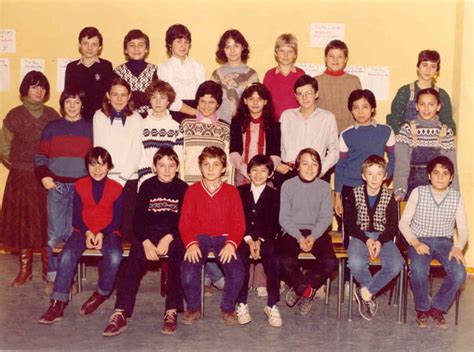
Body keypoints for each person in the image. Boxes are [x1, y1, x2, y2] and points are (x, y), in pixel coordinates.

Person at [102, 148, 188, 336]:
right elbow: (138, 220)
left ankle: (171, 310)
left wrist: (170, 236)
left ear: (177, 167)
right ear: (154, 167)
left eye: (171, 166)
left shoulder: (183, 188)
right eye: (162, 165)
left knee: (177, 256)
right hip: (148, 234)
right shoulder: (147, 186)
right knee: (133, 260)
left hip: (172, 235)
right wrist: (146, 241)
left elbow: (185, 220)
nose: (166, 170)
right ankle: (121, 311)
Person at [38, 147, 123, 324]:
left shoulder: (117, 188)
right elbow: (76, 218)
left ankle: (101, 293)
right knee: (66, 254)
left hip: (108, 232)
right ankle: (57, 303)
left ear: (109, 167)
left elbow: (117, 220)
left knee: (115, 256)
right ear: (87, 167)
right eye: (93, 165)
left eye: (102, 164)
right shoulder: (80, 185)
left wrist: (101, 233)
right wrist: (88, 232)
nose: (97, 169)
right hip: (82, 230)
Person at [0, 71, 60, 286]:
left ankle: (48, 268)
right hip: (21, 178)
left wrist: (46, 169)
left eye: (42, 87)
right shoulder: (14, 115)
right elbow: (4, 147)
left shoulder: (53, 115)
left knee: (47, 223)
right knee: (24, 225)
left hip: (46, 178)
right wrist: (20, 165)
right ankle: (25, 270)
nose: (39, 91)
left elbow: (59, 145)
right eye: (34, 86)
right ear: (25, 89)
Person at [399, 156, 468, 329]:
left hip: (445, 242)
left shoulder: (456, 197)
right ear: (429, 175)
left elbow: (464, 229)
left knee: (459, 272)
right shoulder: (418, 192)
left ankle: (437, 308)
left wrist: (458, 247)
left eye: (445, 174)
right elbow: (403, 223)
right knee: (418, 270)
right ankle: (422, 309)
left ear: (451, 178)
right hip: (420, 239)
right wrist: (414, 242)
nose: (440, 177)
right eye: (436, 173)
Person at [179, 146, 246, 325]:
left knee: (237, 272)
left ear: (224, 168)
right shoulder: (192, 191)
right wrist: (191, 243)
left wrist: (231, 243)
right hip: (198, 238)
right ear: (200, 167)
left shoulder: (232, 192)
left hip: (224, 238)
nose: (210, 169)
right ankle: (193, 307)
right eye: (206, 164)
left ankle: (228, 308)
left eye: (215, 165)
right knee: (187, 272)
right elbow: (184, 222)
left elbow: (239, 222)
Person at [35, 88, 93, 289]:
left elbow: (95, 161)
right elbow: (41, 157)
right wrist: (45, 178)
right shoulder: (52, 128)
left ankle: (67, 276)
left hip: (80, 187)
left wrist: (89, 184)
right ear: (62, 104)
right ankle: (53, 278)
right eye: (68, 101)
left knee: (73, 234)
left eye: (76, 102)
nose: (72, 106)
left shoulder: (90, 128)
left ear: (82, 105)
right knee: (54, 235)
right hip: (57, 186)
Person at [344, 155, 404, 321]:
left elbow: (392, 226)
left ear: (385, 176)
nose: (374, 178)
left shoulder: (389, 197)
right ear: (363, 176)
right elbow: (349, 223)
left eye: (379, 174)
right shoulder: (354, 194)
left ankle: (367, 292)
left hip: (383, 237)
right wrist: (367, 239)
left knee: (396, 264)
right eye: (370, 174)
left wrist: (379, 240)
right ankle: (368, 293)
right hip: (359, 236)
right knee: (355, 262)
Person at [278, 148, 338, 315]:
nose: (310, 168)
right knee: (284, 259)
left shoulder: (325, 187)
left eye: (314, 164)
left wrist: (312, 237)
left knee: (331, 262)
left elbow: (326, 218)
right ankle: (305, 291)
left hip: (316, 232)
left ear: (319, 167)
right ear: (297, 166)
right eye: (305, 164)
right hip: (292, 231)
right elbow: (284, 218)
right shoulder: (288, 185)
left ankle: (300, 288)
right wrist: (299, 237)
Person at [334, 89, 395, 228]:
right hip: (349, 187)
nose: (360, 112)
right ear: (351, 110)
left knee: (375, 229)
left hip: (375, 185)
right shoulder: (345, 134)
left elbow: (393, 158)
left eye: (365, 107)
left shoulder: (386, 131)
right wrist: (337, 195)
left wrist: (385, 177)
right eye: (356, 108)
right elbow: (340, 166)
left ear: (372, 108)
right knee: (351, 230)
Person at [235, 155, 282, 327]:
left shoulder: (275, 195)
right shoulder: (239, 192)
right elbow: (237, 220)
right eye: (254, 170)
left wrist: (260, 240)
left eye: (264, 171)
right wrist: (248, 240)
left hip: (266, 237)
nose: (258, 174)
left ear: (270, 174)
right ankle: (241, 302)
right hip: (243, 236)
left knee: (273, 260)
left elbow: (274, 223)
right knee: (241, 259)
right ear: (248, 172)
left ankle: (272, 304)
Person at [93, 77, 142, 240]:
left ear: (129, 96)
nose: (119, 99)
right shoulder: (99, 116)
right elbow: (99, 149)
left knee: (127, 226)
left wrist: (121, 179)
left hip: (129, 179)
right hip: (106, 177)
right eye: (115, 94)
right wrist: (108, 178)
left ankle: (125, 266)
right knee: (107, 225)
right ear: (108, 95)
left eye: (123, 95)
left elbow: (136, 152)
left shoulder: (136, 118)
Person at [394, 88, 458, 201]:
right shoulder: (407, 130)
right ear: (416, 106)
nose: (426, 109)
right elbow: (401, 165)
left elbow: (452, 168)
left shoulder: (446, 132)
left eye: (431, 104)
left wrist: (455, 195)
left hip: (439, 191)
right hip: (412, 190)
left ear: (438, 107)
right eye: (422, 104)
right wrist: (400, 191)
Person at [279, 75, 338, 187]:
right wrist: (279, 165)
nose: (304, 97)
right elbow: (279, 145)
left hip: (315, 173)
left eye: (308, 93)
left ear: (316, 94)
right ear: (295, 96)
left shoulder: (327, 117)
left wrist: (322, 170)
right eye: (300, 94)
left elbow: (334, 150)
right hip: (289, 172)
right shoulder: (287, 116)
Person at [387, 50, 456, 134]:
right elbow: (394, 121)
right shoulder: (405, 92)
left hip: (434, 143)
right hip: (407, 141)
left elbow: (448, 124)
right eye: (425, 65)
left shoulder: (442, 95)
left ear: (437, 71)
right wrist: (406, 137)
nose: (428, 70)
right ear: (418, 67)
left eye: (433, 66)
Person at [180, 80, 232, 184]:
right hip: (189, 184)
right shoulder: (186, 124)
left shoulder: (225, 128)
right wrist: (181, 184)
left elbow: (228, 162)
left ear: (218, 104)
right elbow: (181, 157)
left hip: (216, 186)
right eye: (202, 101)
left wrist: (226, 184)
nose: (206, 106)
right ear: (197, 102)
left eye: (211, 102)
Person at [230, 83, 280, 186]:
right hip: (242, 174)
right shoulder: (237, 122)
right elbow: (234, 152)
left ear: (265, 102)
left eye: (260, 99)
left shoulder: (274, 124)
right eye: (251, 99)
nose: (255, 102)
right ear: (245, 101)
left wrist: (265, 172)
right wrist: (246, 170)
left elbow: (275, 154)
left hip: (265, 176)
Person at [137, 80, 183, 188]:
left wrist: (168, 179)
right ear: (150, 100)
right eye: (154, 97)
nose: (158, 102)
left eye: (162, 98)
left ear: (168, 101)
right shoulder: (140, 125)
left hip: (169, 182)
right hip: (145, 182)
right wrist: (149, 181)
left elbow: (177, 157)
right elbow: (140, 157)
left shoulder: (176, 127)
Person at [158, 24, 205, 124]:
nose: (183, 46)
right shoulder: (164, 68)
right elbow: (169, 99)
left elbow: (203, 95)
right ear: (170, 44)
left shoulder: (198, 67)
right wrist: (194, 112)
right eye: (178, 41)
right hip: (173, 116)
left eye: (186, 42)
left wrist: (201, 114)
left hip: (198, 116)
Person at [64, 27, 113, 120]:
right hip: (77, 116)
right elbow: (69, 95)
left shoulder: (106, 66)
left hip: (101, 116)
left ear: (100, 47)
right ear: (79, 45)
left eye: (94, 44)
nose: (89, 48)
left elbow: (108, 95)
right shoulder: (72, 67)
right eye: (86, 43)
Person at [211, 29, 259, 123]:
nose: (232, 51)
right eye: (228, 47)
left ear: (243, 47)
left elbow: (255, 102)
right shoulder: (217, 74)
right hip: (220, 123)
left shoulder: (251, 74)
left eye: (236, 46)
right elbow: (211, 102)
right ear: (223, 50)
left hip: (244, 124)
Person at [315, 39, 362, 133]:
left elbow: (359, 108)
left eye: (339, 57)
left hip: (349, 133)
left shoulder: (354, 81)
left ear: (345, 59)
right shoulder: (316, 81)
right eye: (331, 56)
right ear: (325, 58)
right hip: (323, 133)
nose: (335, 60)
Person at [114, 29, 158, 118]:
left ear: (146, 49)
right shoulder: (119, 71)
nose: (136, 48)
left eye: (140, 45)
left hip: (149, 117)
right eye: (131, 45)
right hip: (126, 116)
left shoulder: (154, 70)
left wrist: (136, 96)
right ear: (126, 50)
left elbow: (156, 96)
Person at [262, 33, 305, 122]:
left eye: (290, 51)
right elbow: (265, 102)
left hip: (296, 121)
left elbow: (305, 100)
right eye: (282, 51)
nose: (286, 55)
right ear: (276, 53)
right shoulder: (269, 75)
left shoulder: (300, 74)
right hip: (274, 122)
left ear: (295, 55)